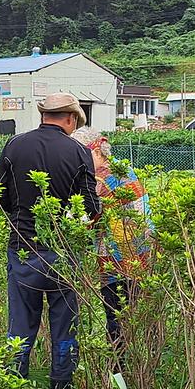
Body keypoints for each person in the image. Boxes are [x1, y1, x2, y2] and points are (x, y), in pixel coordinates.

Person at [0, 92, 100, 389]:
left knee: (20, 327)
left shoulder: (15, 145)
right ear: (71, 118)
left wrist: (21, 215)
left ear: (43, 115)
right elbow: (92, 209)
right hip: (63, 254)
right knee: (65, 327)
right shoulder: (80, 152)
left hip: (23, 251)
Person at [71, 127, 154, 366]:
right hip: (137, 254)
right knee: (133, 316)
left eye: (80, 154)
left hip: (122, 257)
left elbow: (87, 215)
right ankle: (133, 368)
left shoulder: (103, 176)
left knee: (118, 317)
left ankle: (122, 370)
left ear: (97, 150)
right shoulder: (120, 169)